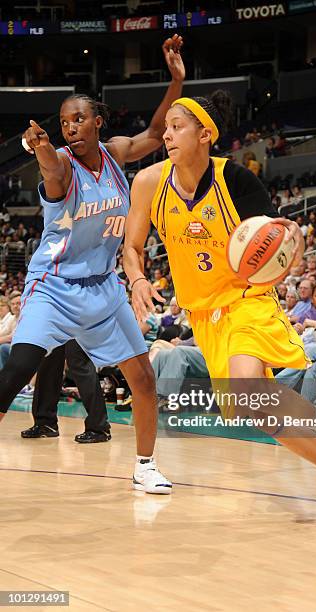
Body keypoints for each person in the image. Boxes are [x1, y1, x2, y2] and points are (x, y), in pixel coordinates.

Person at [124, 91, 316, 523]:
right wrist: (136, 279)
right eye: (166, 127)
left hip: (246, 300)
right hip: (203, 315)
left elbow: (281, 240)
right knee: (259, 411)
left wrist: (288, 247)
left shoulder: (237, 181)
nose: (166, 135)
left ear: (205, 133)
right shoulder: (149, 183)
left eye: (176, 126)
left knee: (248, 388)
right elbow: (131, 247)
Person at [0, 34, 186, 496]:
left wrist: (176, 79)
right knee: (18, 369)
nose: (70, 129)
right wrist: (38, 146)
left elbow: (156, 132)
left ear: (97, 122)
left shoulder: (115, 153)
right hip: (54, 286)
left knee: (142, 379)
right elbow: (50, 170)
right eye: (64, 123)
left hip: (103, 288)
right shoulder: (61, 163)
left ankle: (145, 466)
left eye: (79, 119)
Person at [21, 340, 111, 442]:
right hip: (54, 324)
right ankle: (45, 423)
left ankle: (99, 427)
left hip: (79, 324)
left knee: (78, 359)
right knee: (48, 360)